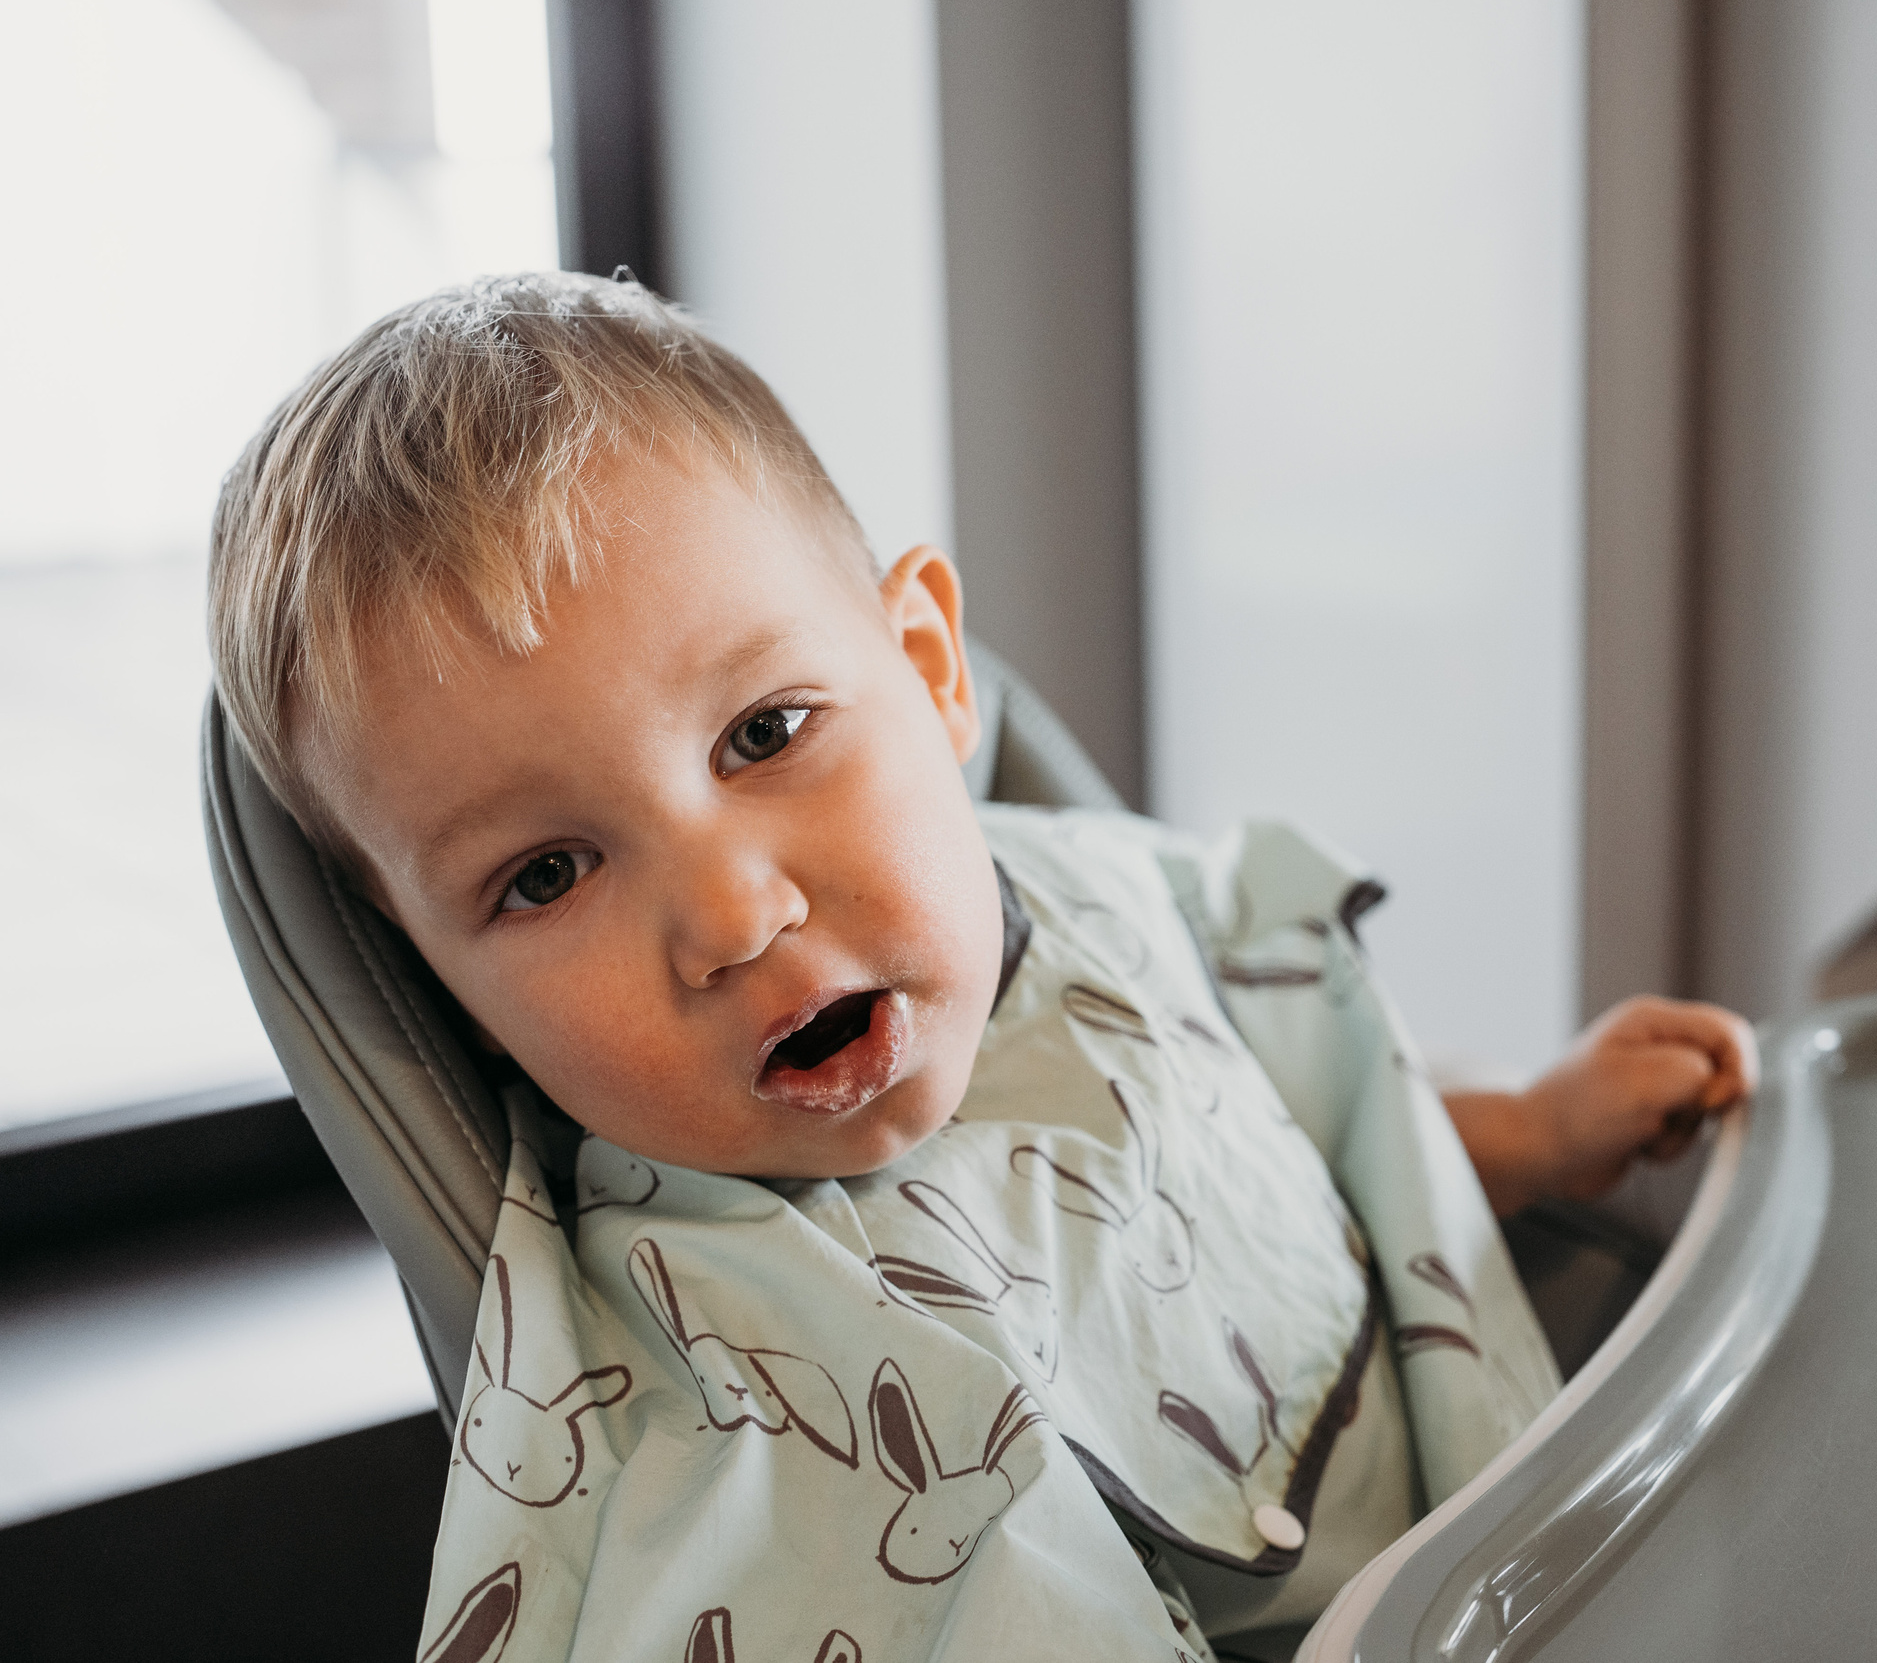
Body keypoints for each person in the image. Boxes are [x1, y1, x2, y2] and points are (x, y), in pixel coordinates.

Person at [209, 271, 1755, 1663]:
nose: (736, 917)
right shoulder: (724, 1359)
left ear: (934, 672)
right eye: (545, 875)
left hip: (1568, 1557)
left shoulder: (1114, 905)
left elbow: (1308, 1126)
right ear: (438, 984)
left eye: (764, 734)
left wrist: (1533, 1126)